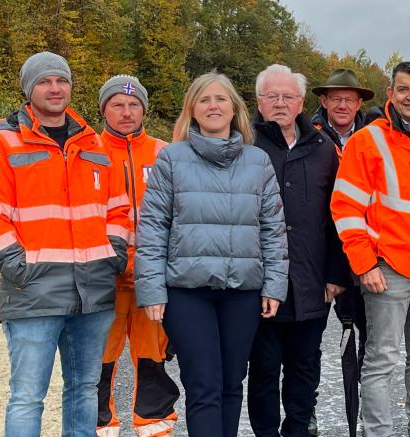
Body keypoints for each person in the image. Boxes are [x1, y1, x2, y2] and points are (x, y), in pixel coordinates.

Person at [0, 51, 130, 437]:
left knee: (85, 390)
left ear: (71, 86)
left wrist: (114, 257)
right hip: (33, 292)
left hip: (93, 292)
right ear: (28, 89)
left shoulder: (95, 147)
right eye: (44, 81)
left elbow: (118, 210)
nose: (55, 89)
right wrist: (19, 268)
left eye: (61, 80)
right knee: (27, 396)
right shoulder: (2, 145)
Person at [134, 71, 288, 437]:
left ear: (235, 109)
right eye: (204, 100)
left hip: (243, 292)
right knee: (203, 385)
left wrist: (274, 285)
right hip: (187, 293)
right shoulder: (171, 160)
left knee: (232, 383)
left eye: (221, 99)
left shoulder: (258, 162)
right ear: (193, 110)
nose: (213, 106)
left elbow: (273, 229)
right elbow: (153, 228)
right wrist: (152, 289)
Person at [331, 60, 410, 437]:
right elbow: (345, 206)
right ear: (390, 94)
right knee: (381, 360)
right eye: (403, 89)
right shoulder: (368, 141)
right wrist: (364, 263)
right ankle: (379, 433)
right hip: (389, 269)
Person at [246, 64, 349, 437]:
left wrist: (337, 273)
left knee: (305, 367)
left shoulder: (323, 149)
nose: (280, 103)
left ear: (301, 101)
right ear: (258, 101)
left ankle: (298, 430)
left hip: (311, 280)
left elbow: (339, 214)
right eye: (271, 96)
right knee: (263, 368)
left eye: (288, 96)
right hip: (259, 283)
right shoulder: (244, 145)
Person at [94, 74, 180, 437]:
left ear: (143, 108)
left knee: (153, 356)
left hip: (153, 277)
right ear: (103, 110)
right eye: (117, 104)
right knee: (99, 360)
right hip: (103, 278)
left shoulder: (166, 152)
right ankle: (100, 427)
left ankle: (155, 426)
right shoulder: (89, 151)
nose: (126, 112)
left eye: (133, 105)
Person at [309, 67, 379, 437]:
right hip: (321, 255)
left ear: (359, 103)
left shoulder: (373, 137)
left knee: (371, 341)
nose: (342, 104)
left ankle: (370, 411)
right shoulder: (308, 136)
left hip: (365, 253)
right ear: (323, 101)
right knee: (310, 342)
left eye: (349, 98)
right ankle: (308, 409)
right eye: (335, 97)